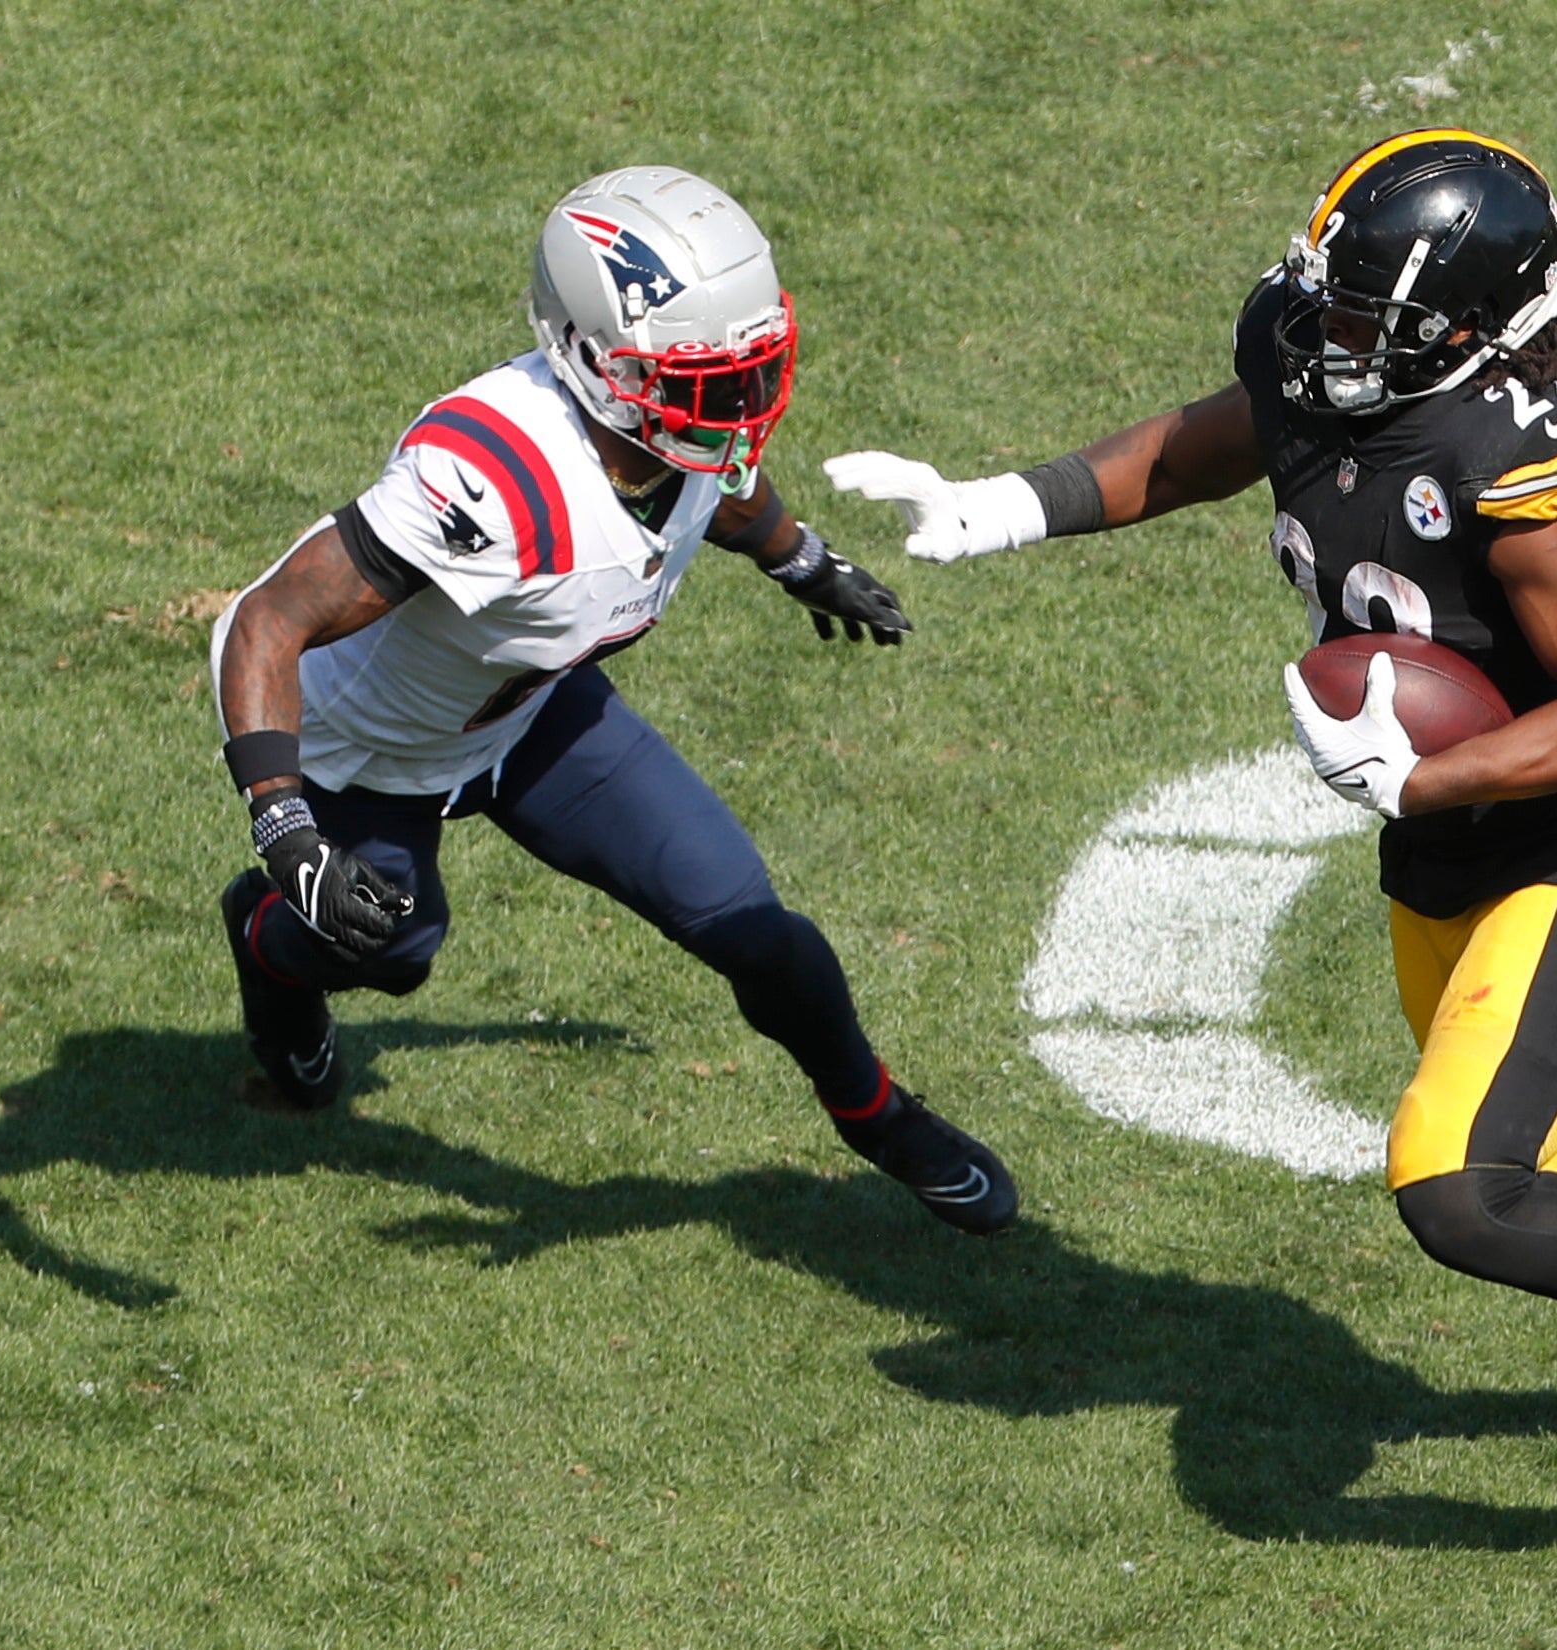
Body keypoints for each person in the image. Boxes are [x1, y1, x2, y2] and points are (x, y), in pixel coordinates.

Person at [825, 130, 1557, 1552]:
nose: (1332, 335)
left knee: (1462, 1186)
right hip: (1451, 848)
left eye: (1375, 316)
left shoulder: (1513, 450)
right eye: (1335, 298)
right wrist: (999, 507)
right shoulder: (1315, 347)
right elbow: (1208, 443)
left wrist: (1431, 776)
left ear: (1476, 328)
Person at [209, 165, 1015, 1237]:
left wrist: (803, 561)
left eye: (746, 372)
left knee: (753, 923)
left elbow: (722, 489)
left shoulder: (682, 428)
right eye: (703, 380)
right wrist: (286, 830)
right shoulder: (497, 474)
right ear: (590, 358)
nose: (736, 407)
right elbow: (269, 622)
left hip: (528, 712)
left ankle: (877, 1116)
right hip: (360, 751)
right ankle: (264, 944)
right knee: (395, 949)